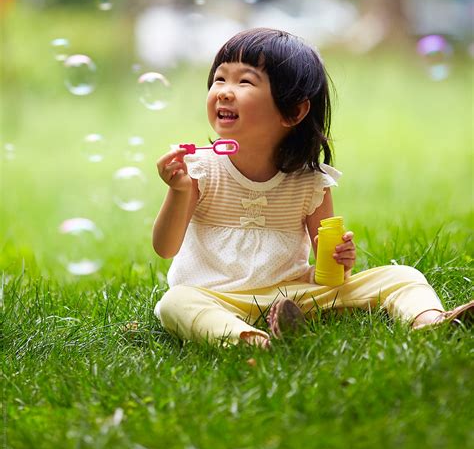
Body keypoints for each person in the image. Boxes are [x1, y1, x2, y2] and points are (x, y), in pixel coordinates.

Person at [152, 27, 473, 348]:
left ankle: (429, 322)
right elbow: (165, 248)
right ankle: (249, 340)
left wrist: (339, 259)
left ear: (293, 111)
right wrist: (178, 191)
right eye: (220, 79)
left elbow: (328, 277)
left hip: (290, 292)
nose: (223, 91)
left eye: (245, 81)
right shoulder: (200, 171)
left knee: (402, 275)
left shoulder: (309, 182)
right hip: (216, 298)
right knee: (174, 303)